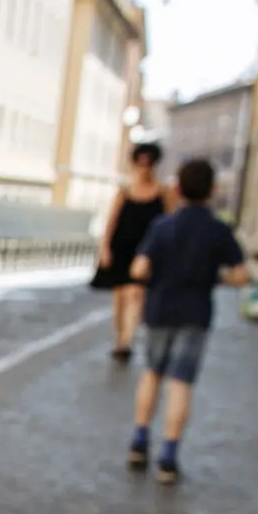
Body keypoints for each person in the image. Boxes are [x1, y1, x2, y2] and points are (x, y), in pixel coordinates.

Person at [124, 159, 252, 484]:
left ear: (178, 189)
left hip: (159, 310)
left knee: (152, 373)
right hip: (195, 314)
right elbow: (242, 275)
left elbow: (139, 269)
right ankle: (168, 456)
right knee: (180, 382)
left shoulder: (162, 226)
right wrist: (216, 277)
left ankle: (139, 439)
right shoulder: (218, 230)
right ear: (212, 191)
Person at [92, 141, 175, 363]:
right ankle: (119, 337)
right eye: (141, 163)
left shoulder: (164, 193)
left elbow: (171, 223)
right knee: (120, 296)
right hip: (121, 249)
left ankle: (126, 342)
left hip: (146, 251)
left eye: (148, 163)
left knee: (136, 294)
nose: (144, 168)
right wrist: (104, 248)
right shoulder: (125, 192)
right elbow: (111, 222)